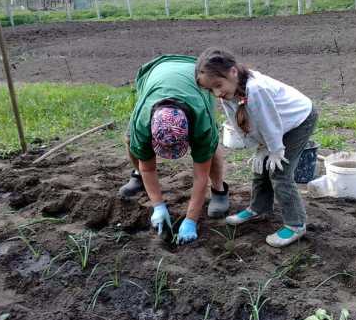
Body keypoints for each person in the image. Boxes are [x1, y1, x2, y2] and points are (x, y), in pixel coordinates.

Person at [195, 47, 318, 248]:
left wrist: (275, 150)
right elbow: (241, 123)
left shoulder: (256, 89)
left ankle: (296, 224)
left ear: (233, 72)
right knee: (260, 167)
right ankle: (259, 207)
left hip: (299, 119)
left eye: (218, 85)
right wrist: (260, 146)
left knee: (279, 171)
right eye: (211, 90)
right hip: (278, 124)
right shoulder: (229, 93)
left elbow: (269, 122)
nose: (217, 93)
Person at [119, 54, 229, 245]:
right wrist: (158, 206)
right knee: (131, 141)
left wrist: (191, 220)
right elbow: (149, 168)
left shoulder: (201, 122)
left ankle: (219, 190)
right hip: (157, 72)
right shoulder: (142, 122)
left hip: (195, 76)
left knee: (210, 148)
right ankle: (137, 175)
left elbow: (199, 175)